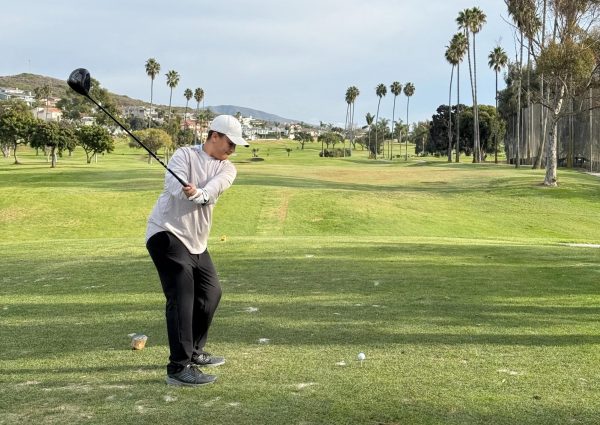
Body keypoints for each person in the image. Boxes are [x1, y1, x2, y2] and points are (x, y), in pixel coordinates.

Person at [146, 115, 249, 387]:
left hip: (196, 240)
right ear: (214, 136)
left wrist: (200, 194)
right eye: (230, 142)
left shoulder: (228, 169)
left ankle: (194, 352)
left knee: (211, 293)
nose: (232, 149)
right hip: (165, 231)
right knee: (182, 295)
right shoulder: (184, 155)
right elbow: (171, 185)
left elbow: (213, 190)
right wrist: (186, 191)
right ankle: (178, 368)